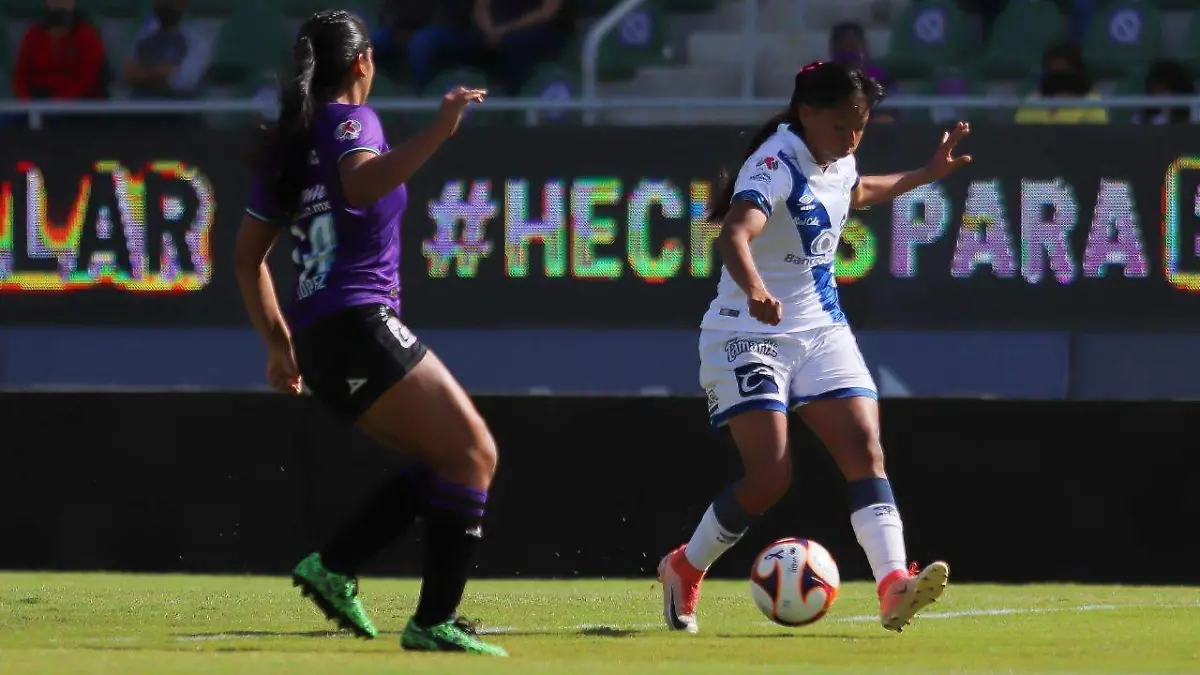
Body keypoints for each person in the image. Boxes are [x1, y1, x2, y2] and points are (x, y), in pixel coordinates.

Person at [658, 61, 973, 635]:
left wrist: (925, 173)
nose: (852, 137)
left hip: (821, 328)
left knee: (863, 446)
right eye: (840, 125)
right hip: (745, 332)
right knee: (769, 477)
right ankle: (684, 566)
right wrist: (755, 290)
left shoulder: (838, 156)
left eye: (861, 125)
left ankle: (892, 585)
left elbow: (858, 190)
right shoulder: (775, 162)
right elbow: (734, 233)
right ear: (806, 113)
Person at [233, 9, 506, 657]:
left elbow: (247, 258)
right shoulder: (351, 119)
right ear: (362, 64)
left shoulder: (294, 140)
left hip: (322, 337)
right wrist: (439, 131)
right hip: (358, 320)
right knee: (475, 454)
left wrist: (278, 345)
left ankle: (335, 564)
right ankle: (433, 620)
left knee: (443, 461)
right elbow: (358, 185)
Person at [407, 0, 571, 94]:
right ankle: (424, 102)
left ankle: (512, 107)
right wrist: (489, 30)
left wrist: (505, 31)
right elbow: (481, 7)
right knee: (425, 42)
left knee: (516, 45)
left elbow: (548, 12)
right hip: (487, 31)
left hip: (533, 32)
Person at [12, 0, 106, 101]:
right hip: (36, 102)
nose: (59, 3)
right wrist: (28, 103)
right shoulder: (33, 35)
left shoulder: (87, 34)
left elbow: (88, 78)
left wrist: (58, 102)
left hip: (75, 103)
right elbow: (21, 76)